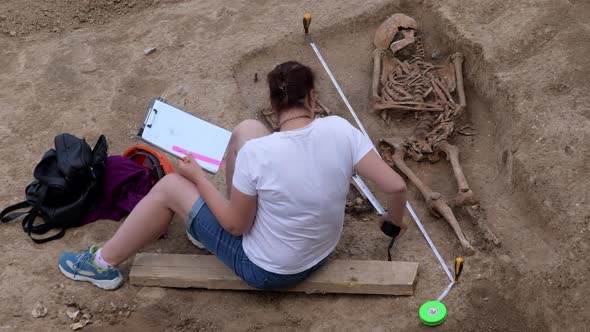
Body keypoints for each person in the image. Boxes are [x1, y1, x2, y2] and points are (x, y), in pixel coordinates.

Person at [58, 61, 408, 290]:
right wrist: (392, 221)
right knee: (245, 129)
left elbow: (236, 228)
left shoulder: (260, 155)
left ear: (273, 106)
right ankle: (208, 222)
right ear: (313, 99)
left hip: (271, 271)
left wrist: (197, 178)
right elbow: (396, 185)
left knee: (170, 186)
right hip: (322, 248)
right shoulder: (340, 129)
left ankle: (102, 263)